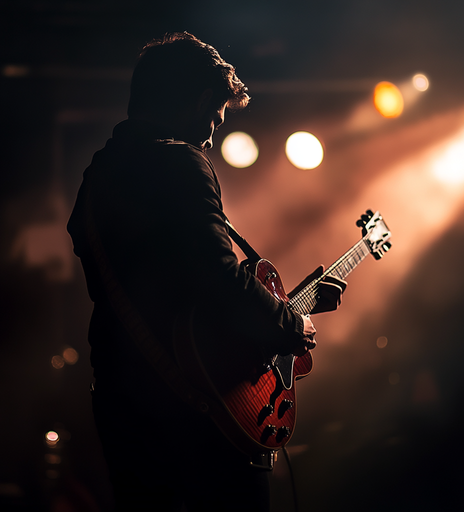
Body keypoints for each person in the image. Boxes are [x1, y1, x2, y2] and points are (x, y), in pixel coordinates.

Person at [68, 32, 344, 512]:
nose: (212, 135)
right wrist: (289, 323)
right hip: (198, 417)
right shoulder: (180, 161)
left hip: (122, 403)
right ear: (198, 102)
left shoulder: (97, 176)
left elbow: (170, 286)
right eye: (215, 117)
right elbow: (220, 279)